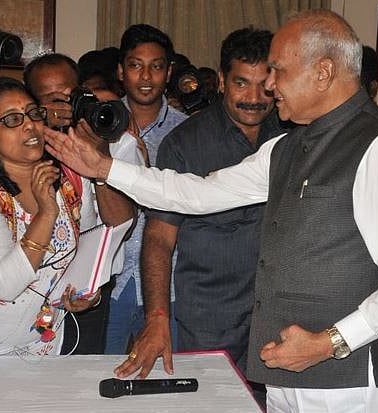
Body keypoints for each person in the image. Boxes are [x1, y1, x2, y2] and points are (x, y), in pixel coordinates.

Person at [46, 10, 378, 412]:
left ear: (323, 72)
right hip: (285, 368)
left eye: (278, 71)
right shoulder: (289, 146)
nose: (269, 86)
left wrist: (330, 342)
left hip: (345, 378)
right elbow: (197, 193)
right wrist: (105, 168)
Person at [116, 28, 285, 406]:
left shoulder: (292, 136)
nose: (254, 98)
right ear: (222, 81)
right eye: (241, 83)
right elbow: (159, 238)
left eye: (264, 85)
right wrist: (157, 317)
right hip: (209, 319)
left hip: (277, 319)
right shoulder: (186, 143)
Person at [0, 77, 134, 356]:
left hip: (43, 346)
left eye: (34, 114)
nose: (29, 125)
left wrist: (85, 294)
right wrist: (46, 213)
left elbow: (89, 249)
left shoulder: (65, 177)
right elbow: (4, 285)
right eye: (12, 120)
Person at [23, 52, 143, 354]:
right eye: (53, 100)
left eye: (70, 96)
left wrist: (99, 155)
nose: (65, 107)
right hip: (27, 289)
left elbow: (122, 224)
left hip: (87, 291)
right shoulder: (21, 145)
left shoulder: (114, 138)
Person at [105, 24, 187, 355]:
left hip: (169, 282)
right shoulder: (99, 122)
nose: (146, 77)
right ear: (120, 71)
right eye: (136, 65)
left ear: (169, 72)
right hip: (108, 280)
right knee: (97, 373)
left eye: (156, 66)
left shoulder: (187, 131)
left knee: (164, 376)